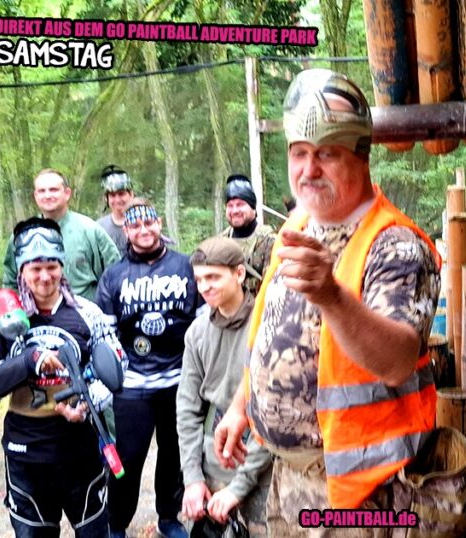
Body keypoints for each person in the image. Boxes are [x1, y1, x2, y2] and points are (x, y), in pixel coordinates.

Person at [213, 69, 441, 536]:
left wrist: (332, 296)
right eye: (299, 153)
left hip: (360, 494)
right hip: (289, 480)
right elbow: (267, 331)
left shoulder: (396, 246)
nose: (308, 169)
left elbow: (398, 361)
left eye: (327, 154)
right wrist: (240, 407)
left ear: (362, 155)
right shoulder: (299, 225)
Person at [0, 218, 124, 538]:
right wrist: (29, 361)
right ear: (21, 270)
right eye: (35, 268)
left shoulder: (88, 313)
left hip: (80, 451)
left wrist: (87, 403)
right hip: (26, 454)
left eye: (51, 266)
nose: (44, 276)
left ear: (62, 266)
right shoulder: (3, 322)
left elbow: (116, 368)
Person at [96, 198, 203, 538]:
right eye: (135, 225)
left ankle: (169, 518)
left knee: (174, 455)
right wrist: (109, 379)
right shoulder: (114, 276)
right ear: (126, 231)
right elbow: (105, 334)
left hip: (179, 382)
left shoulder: (186, 266)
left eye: (148, 223)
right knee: (127, 458)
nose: (143, 230)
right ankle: (116, 523)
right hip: (133, 386)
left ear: (159, 224)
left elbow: (203, 324)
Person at [177, 237, 272, 537]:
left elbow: (274, 415)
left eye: (213, 277)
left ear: (239, 274)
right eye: (199, 279)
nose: (205, 287)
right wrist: (192, 478)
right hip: (212, 465)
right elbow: (188, 408)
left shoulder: (269, 326)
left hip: (264, 470)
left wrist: (239, 487)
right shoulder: (197, 332)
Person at [3, 169, 120, 300]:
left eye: (53, 190)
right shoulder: (22, 236)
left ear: (67, 193)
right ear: (35, 195)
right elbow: (10, 284)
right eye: (42, 191)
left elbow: (117, 277)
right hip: (34, 312)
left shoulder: (91, 231)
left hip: (83, 310)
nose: (47, 195)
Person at [216, 175, 275, 296]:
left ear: (253, 208)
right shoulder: (220, 242)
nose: (235, 211)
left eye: (240, 204)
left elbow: (273, 287)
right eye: (230, 206)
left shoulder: (269, 241)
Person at [96, 165, 134, 252]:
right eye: (112, 195)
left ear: (131, 194)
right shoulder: (99, 228)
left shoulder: (143, 224)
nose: (117, 200)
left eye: (121, 194)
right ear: (106, 198)